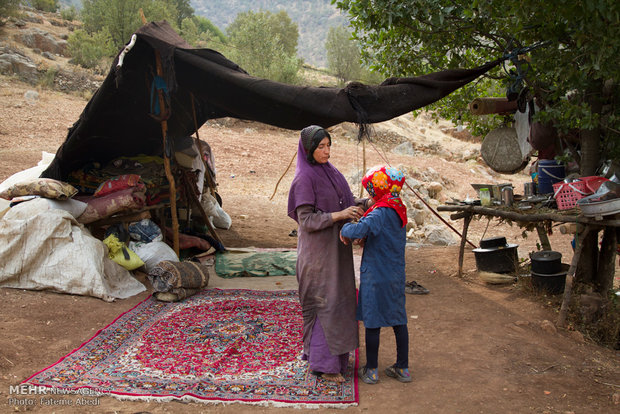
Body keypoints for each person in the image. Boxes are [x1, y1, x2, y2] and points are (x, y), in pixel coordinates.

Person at [287, 125, 368, 383]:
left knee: (342, 301)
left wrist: (366, 203)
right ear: (309, 150)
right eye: (320, 147)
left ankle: (336, 360)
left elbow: (347, 201)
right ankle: (324, 366)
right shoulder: (304, 179)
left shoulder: (332, 172)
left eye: (328, 145)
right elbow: (306, 220)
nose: (326, 151)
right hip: (318, 256)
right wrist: (340, 216)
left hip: (337, 251)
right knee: (325, 302)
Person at [340, 165, 411, 384]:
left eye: (372, 191)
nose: (370, 196)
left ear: (380, 190)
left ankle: (371, 370)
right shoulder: (398, 208)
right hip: (395, 274)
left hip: (375, 275)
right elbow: (382, 235)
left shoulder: (380, 212)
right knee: (399, 320)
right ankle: (403, 368)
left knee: (372, 321)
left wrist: (344, 229)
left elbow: (359, 230)